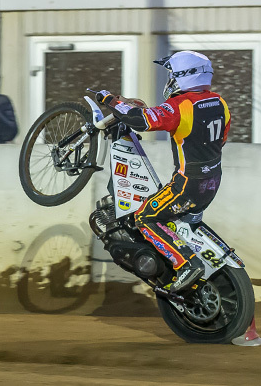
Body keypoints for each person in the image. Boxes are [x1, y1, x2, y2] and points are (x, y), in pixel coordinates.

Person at [96, 50, 230, 293]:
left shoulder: (180, 105)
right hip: (212, 181)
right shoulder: (220, 103)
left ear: (182, 76)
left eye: (171, 74)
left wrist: (111, 101)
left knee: (144, 217)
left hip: (186, 186)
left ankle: (187, 263)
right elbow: (221, 139)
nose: (169, 80)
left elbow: (142, 121)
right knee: (174, 220)